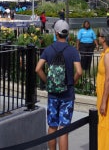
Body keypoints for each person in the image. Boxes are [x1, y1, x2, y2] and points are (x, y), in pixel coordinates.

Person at [35, 19, 82, 150]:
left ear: (56, 33)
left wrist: (47, 81)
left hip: (53, 94)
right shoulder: (72, 51)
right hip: (67, 94)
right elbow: (79, 71)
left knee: (52, 126)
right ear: (67, 34)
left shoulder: (49, 50)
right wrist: (73, 81)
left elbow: (38, 69)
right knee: (64, 129)